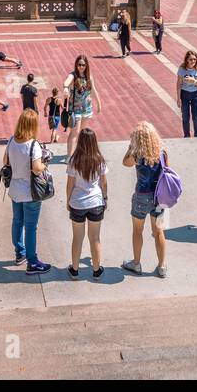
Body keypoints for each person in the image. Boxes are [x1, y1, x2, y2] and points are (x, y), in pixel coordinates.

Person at [121, 122, 169, 277]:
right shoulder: (163, 154)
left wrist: (131, 146)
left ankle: (136, 263)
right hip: (160, 198)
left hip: (141, 196)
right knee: (159, 232)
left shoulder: (136, 156)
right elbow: (167, 173)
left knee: (137, 231)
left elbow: (124, 163)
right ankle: (162, 266)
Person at [6, 109, 50, 274]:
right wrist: (45, 163)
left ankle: (20, 253)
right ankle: (32, 262)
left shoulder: (11, 140)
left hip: (15, 190)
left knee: (17, 221)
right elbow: (37, 169)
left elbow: (6, 161)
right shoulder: (34, 145)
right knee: (31, 227)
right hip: (31, 192)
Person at [66, 128, 108, 279]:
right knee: (95, 237)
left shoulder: (73, 161)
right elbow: (104, 183)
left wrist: (68, 200)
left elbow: (70, 184)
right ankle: (96, 270)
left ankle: (75, 269)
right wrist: (105, 198)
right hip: (96, 202)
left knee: (78, 237)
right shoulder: (99, 160)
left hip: (77, 203)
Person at [63, 55, 99, 154]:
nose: (81, 67)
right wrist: (65, 87)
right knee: (74, 132)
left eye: (83, 65)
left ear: (86, 65)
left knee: (82, 133)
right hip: (75, 109)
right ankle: (69, 156)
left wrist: (99, 103)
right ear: (76, 65)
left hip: (87, 109)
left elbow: (93, 90)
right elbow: (66, 81)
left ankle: (80, 153)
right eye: (79, 64)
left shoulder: (89, 77)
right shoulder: (73, 75)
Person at [176, 50, 197, 138]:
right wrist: (178, 98)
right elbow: (179, 84)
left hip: (196, 94)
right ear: (187, 60)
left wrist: (194, 81)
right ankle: (187, 135)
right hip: (184, 94)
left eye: (195, 59)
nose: (193, 61)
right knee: (185, 117)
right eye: (191, 59)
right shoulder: (182, 68)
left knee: (196, 117)